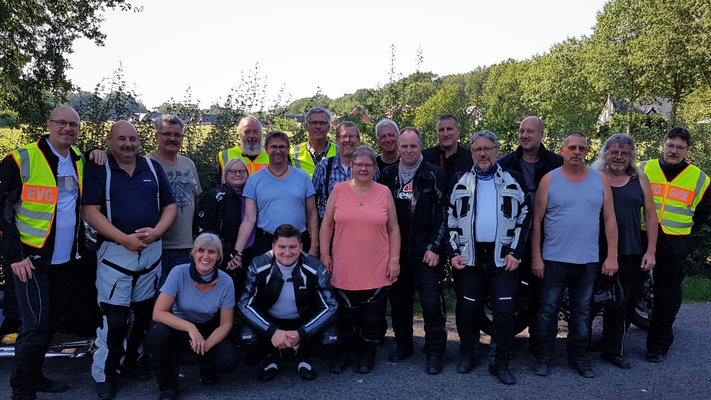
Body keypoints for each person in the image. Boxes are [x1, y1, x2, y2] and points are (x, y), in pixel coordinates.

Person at [0, 106, 106, 400]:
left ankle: (35, 377)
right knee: (35, 325)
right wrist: (13, 256)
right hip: (30, 260)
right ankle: (22, 391)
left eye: (73, 125)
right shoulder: (21, 159)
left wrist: (98, 150)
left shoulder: (79, 160)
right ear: (49, 124)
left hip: (66, 260)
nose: (67, 129)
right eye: (61, 123)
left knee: (52, 321)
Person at [82, 120, 177, 400]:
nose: (128, 144)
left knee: (143, 314)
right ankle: (106, 374)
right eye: (122, 139)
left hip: (150, 253)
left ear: (139, 141)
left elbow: (169, 205)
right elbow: (90, 211)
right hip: (116, 254)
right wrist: (123, 238)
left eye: (133, 139)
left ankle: (131, 362)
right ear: (109, 140)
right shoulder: (99, 168)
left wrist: (158, 231)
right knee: (115, 320)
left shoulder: (152, 167)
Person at [531, 132, 618, 379]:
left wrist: (612, 256)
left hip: (588, 259)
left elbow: (610, 220)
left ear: (588, 152)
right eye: (572, 148)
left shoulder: (599, 179)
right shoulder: (549, 180)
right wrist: (536, 257)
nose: (576, 152)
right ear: (562, 150)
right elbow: (536, 222)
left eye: (581, 148)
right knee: (547, 310)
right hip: (554, 259)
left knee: (582, 311)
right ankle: (543, 357)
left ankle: (579, 358)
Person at [446, 130, 530, 385]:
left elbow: (525, 218)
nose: (482, 153)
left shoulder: (513, 179)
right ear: (471, 152)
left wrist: (516, 253)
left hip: (503, 259)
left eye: (487, 148)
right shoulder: (460, 181)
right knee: (468, 311)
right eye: (477, 149)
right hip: (470, 259)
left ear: (496, 150)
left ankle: (500, 362)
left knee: (505, 313)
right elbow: (449, 220)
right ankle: (468, 355)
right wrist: (452, 253)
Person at [320, 145, 400, 374]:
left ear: (375, 168)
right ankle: (342, 353)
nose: (363, 168)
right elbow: (327, 225)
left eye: (368, 165)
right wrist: (325, 255)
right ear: (350, 166)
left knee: (372, 318)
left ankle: (367, 355)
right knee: (345, 318)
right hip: (344, 266)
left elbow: (394, 228)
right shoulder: (338, 190)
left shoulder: (384, 192)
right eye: (359, 164)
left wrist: (394, 259)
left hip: (376, 266)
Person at [637, 127, 711, 363]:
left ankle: (657, 346)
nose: (674, 150)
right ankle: (612, 343)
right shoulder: (644, 168)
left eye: (680, 147)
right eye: (670, 145)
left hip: (674, 241)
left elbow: (702, 213)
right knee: (626, 291)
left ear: (688, 150)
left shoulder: (700, 178)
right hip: (640, 237)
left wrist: (682, 228)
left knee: (667, 296)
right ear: (663, 145)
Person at [379, 127, 448, 374]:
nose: (408, 150)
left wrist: (435, 246)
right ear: (397, 147)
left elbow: (443, 214)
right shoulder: (386, 175)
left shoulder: (434, 174)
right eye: (404, 146)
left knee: (431, 303)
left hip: (426, 251)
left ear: (421, 147)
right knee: (399, 302)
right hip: (396, 252)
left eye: (413, 146)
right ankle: (403, 345)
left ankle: (434, 352)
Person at [238, 224, 339, 382]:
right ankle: (272, 355)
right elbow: (245, 304)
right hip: (271, 320)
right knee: (246, 337)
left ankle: (303, 354)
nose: (287, 252)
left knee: (330, 337)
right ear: (273, 246)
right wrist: (272, 331)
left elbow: (330, 306)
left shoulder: (315, 266)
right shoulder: (258, 264)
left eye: (293, 247)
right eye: (282, 247)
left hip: (302, 321)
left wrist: (302, 332)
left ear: (301, 247)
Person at [591, 134, 658, 369]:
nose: (619, 157)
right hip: (594, 249)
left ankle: (613, 350)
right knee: (588, 300)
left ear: (631, 157)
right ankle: (580, 347)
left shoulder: (640, 179)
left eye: (625, 153)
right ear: (605, 153)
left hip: (629, 250)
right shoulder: (594, 178)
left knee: (621, 303)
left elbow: (650, 215)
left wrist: (650, 251)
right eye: (614, 152)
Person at [497, 116, 563, 352]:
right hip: (511, 239)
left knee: (542, 294)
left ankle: (539, 347)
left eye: (530, 131)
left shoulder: (558, 164)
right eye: (522, 131)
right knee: (508, 292)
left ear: (542, 134)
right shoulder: (504, 164)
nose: (524, 135)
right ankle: (505, 347)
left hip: (549, 237)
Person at [147, 233, 239, 400]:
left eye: (211, 252)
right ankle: (168, 385)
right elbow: (158, 313)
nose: (205, 256)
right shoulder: (178, 273)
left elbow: (226, 324)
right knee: (158, 335)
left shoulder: (226, 281)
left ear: (218, 256)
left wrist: (205, 345)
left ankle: (205, 364)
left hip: (209, 328)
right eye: (200, 250)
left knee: (228, 360)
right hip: (180, 326)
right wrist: (190, 327)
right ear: (194, 253)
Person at [230, 130, 319, 263]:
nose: (278, 151)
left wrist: (314, 245)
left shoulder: (303, 177)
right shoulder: (255, 179)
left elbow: (312, 214)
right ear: (266, 149)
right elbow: (249, 219)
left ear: (288, 149)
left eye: (282, 147)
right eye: (273, 147)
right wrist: (237, 252)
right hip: (267, 242)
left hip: (298, 242)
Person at [146, 114, 202, 287]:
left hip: (186, 245)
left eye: (177, 135)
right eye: (167, 134)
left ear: (182, 138)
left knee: (181, 294)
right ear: (157, 136)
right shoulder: (145, 164)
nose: (172, 138)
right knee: (156, 295)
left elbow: (196, 199)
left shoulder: (188, 164)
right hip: (157, 245)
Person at [198, 157, 255, 292]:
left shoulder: (253, 197)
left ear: (247, 174)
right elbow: (206, 229)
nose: (237, 174)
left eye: (242, 171)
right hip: (223, 255)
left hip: (250, 253)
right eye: (233, 171)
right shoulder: (213, 197)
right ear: (225, 174)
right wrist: (231, 254)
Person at [312, 121, 379, 219]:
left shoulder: (370, 167)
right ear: (337, 140)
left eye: (352, 136)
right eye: (344, 136)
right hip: (331, 228)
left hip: (363, 225)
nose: (348, 140)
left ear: (359, 140)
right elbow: (311, 202)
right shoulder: (323, 167)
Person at [215, 115, 269, 185]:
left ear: (261, 134)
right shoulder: (225, 155)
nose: (251, 136)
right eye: (247, 132)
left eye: (255, 131)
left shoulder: (273, 154)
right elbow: (219, 185)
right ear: (240, 135)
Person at [422, 114, 473, 180]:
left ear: (458, 130)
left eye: (449, 129)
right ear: (436, 133)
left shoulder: (471, 157)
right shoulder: (424, 157)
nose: (445, 134)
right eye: (441, 130)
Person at [292, 107, 337, 178]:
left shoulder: (340, 153)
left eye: (322, 123)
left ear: (329, 127)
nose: (318, 127)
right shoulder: (293, 153)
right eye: (314, 123)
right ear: (306, 127)